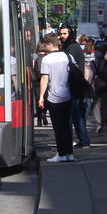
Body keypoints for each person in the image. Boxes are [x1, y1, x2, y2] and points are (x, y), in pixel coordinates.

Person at [37, 32, 75, 162]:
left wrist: (41, 96)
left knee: (58, 127)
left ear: (49, 44)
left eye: (45, 45)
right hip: (68, 96)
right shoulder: (68, 56)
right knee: (67, 126)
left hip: (54, 97)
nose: (44, 48)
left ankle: (61, 153)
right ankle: (69, 153)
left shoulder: (47, 59)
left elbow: (44, 78)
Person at [58, 25, 89, 148]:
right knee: (77, 115)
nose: (62, 36)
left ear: (70, 34)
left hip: (74, 86)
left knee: (74, 115)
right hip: (76, 85)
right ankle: (83, 140)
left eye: (64, 34)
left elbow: (69, 67)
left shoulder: (71, 47)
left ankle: (80, 140)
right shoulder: (72, 46)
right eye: (61, 34)